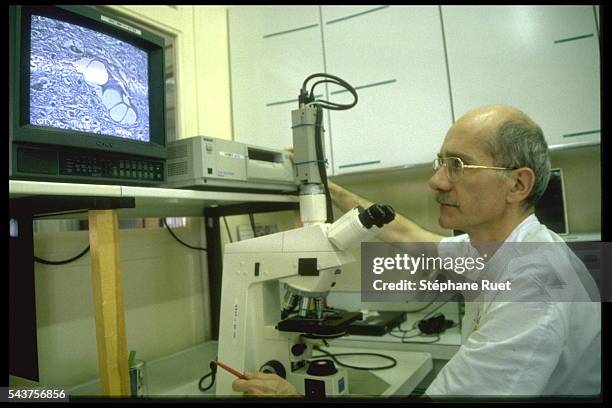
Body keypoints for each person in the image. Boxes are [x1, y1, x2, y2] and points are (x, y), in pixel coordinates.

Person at [232, 105, 601, 397]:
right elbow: (408, 234)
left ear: (517, 183)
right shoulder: (497, 249)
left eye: (456, 165)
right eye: (440, 162)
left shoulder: (534, 287)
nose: (436, 181)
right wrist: (327, 187)